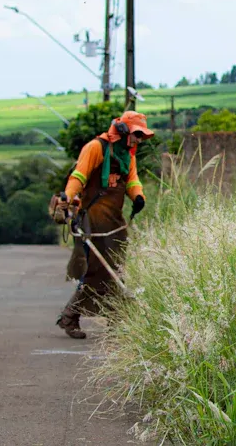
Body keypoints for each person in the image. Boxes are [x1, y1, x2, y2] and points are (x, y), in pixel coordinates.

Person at [50, 110, 153, 339]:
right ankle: (74, 317)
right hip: (91, 218)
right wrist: (67, 199)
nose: (139, 140)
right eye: (137, 134)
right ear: (124, 131)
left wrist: (138, 196)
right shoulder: (96, 148)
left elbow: (132, 180)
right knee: (98, 270)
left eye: (142, 136)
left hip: (114, 221)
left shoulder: (129, 155)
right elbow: (79, 176)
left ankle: (112, 320)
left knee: (115, 268)